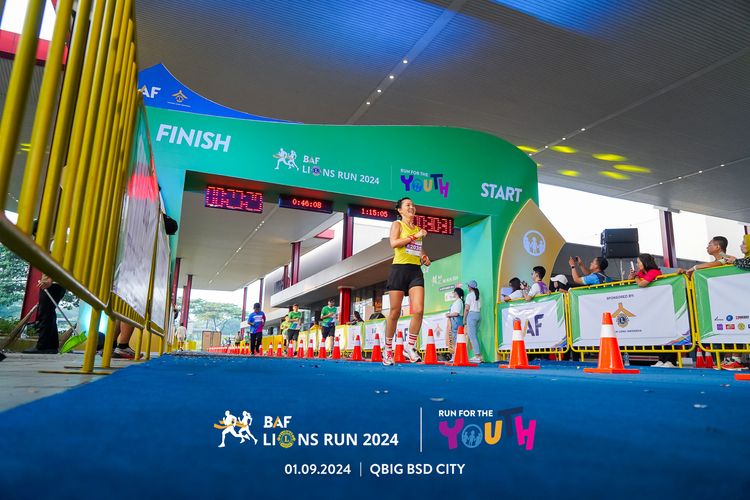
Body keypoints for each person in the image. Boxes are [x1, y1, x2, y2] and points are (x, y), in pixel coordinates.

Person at [383, 197, 431, 365]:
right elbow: (394, 243)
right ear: (400, 210)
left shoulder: (418, 229)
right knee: (395, 312)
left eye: (413, 205)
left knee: (418, 310)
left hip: (415, 271)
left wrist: (424, 257)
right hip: (399, 270)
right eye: (407, 205)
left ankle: (409, 347)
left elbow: (417, 249)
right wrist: (414, 236)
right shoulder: (397, 224)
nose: (411, 207)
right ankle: (388, 350)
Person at [23, 274, 67, 354]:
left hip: (52, 284)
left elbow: (57, 266)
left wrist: (49, 279)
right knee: (49, 314)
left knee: (45, 315)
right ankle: (51, 346)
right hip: (56, 284)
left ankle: (42, 346)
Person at [463, 280, 482, 363]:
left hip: (472, 315)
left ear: (470, 287)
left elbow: (467, 308)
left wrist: (464, 318)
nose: (467, 287)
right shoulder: (478, 295)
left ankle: (477, 356)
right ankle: (478, 355)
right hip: (478, 315)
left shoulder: (469, 295)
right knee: (475, 336)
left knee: (472, 336)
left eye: (468, 286)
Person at [445, 287, 464, 360]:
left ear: (456, 293)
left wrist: (448, 315)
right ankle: (455, 356)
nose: (452, 293)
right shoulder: (457, 302)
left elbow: (456, 313)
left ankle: (456, 356)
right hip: (455, 320)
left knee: (455, 338)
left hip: (456, 320)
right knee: (454, 338)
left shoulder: (458, 302)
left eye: (453, 292)